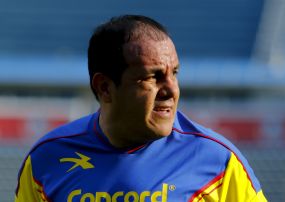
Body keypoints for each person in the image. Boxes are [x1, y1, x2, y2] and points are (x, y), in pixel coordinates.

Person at [15, 15, 267, 202]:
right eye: (152, 77)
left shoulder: (217, 160)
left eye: (174, 74)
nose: (171, 90)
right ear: (104, 87)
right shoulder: (46, 159)